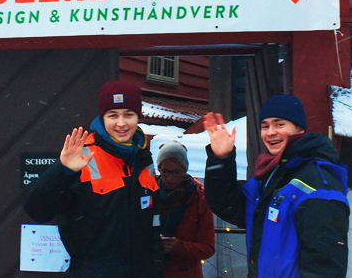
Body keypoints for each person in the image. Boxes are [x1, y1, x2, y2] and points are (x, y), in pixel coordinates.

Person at [23, 80, 163, 278]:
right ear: (102, 118)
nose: (121, 123)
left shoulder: (143, 158)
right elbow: (38, 210)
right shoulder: (82, 156)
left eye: (128, 115)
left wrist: (156, 268)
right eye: (113, 115)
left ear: (137, 118)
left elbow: (153, 225)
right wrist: (62, 171)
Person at [203, 94, 349, 278]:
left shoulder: (318, 182)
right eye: (265, 126)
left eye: (279, 124)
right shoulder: (270, 175)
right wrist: (221, 159)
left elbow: (325, 267)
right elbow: (229, 205)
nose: (270, 132)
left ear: (299, 128)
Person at [156, 141, 214, 278]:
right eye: (165, 172)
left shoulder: (199, 199)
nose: (169, 178)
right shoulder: (148, 196)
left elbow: (208, 248)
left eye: (176, 172)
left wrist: (178, 246)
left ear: (184, 170)